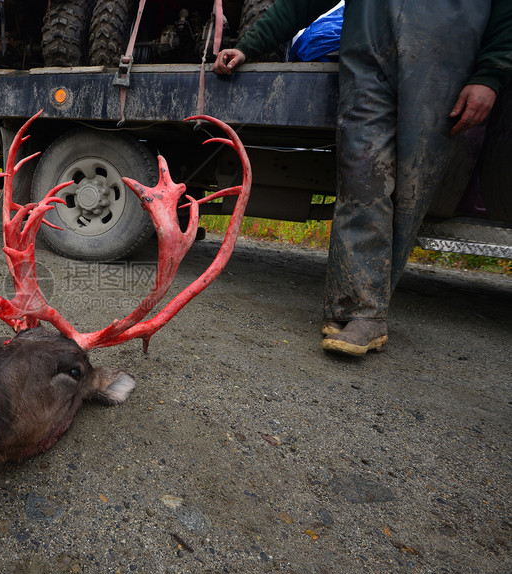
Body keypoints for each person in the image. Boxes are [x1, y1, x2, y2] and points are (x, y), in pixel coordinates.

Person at [214, 0, 512, 357]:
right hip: (368, 67)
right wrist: (249, 45)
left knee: (409, 189)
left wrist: (489, 75)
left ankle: (366, 309)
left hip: (443, 68)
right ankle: (357, 308)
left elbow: (505, 15)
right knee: (360, 180)